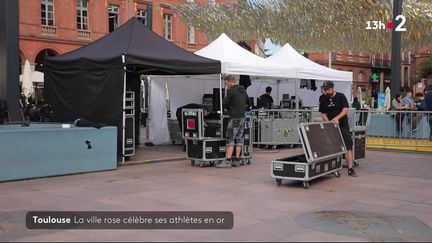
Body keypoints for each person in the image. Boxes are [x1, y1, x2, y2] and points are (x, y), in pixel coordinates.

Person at [319, 81, 358, 177]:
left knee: (347, 146)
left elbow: (345, 110)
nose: (327, 91)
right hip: (332, 127)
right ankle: (333, 168)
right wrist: (329, 122)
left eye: (328, 89)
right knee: (332, 147)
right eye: (325, 89)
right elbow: (323, 114)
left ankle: (350, 168)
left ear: (333, 88)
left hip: (343, 126)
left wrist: (337, 118)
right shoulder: (324, 99)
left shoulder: (341, 96)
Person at [216, 75, 249, 168]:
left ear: (229, 81)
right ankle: (237, 160)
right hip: (243, 117)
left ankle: (228, 161)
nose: (226, 86)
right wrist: (241, 108)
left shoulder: (231, 91)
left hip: (234, 118)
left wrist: (231, 110)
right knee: (239, 138)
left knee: (230, 138)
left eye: (226, 83)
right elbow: (249, 101)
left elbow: (224, 103)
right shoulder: (243, 90)